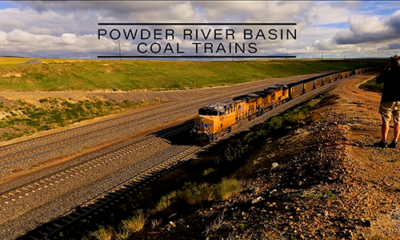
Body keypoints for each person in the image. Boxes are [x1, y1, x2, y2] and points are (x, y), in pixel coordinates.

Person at [374, 55, 400, 148]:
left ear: (391, 63)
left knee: (386, 120)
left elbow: (378, 81)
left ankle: (384, 141)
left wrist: (384, 70)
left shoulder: (388, 72)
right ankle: (395, 142)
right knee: (397, 121)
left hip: (387, 99)